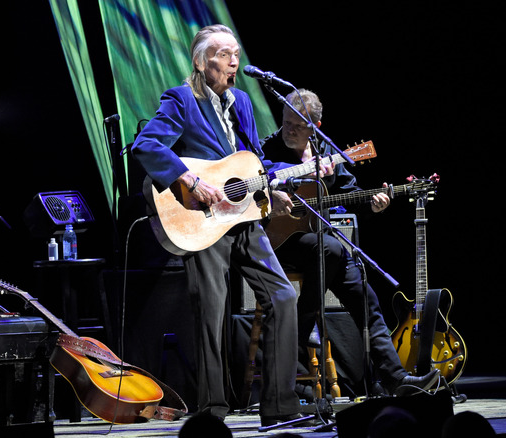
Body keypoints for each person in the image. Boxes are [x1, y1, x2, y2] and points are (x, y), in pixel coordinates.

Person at [131, 24, 303, 426]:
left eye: (236, 54)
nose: (234, 62)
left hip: (243, 216)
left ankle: (281, 407)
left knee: (283, 297)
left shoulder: (241, 100)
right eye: (224, 54)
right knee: (212, 312)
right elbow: (147, 145)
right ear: (200, 61)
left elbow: (253, 159)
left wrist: (275, 185)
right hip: (202, 220)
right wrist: (188, 178)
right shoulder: (181, 100)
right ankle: (213, 412)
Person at [261, 89, 440, 396]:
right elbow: (258, 177)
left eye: (297, 125)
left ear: (315, 125)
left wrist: (372, 204)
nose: (288, 129)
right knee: (330, 248)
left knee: (365, 294)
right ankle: (301, 345)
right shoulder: (268, 145)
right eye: (286, 122)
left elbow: (351, 195)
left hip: (321, 248)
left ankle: (394, 377)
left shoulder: (328, 153)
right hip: (280, 243)